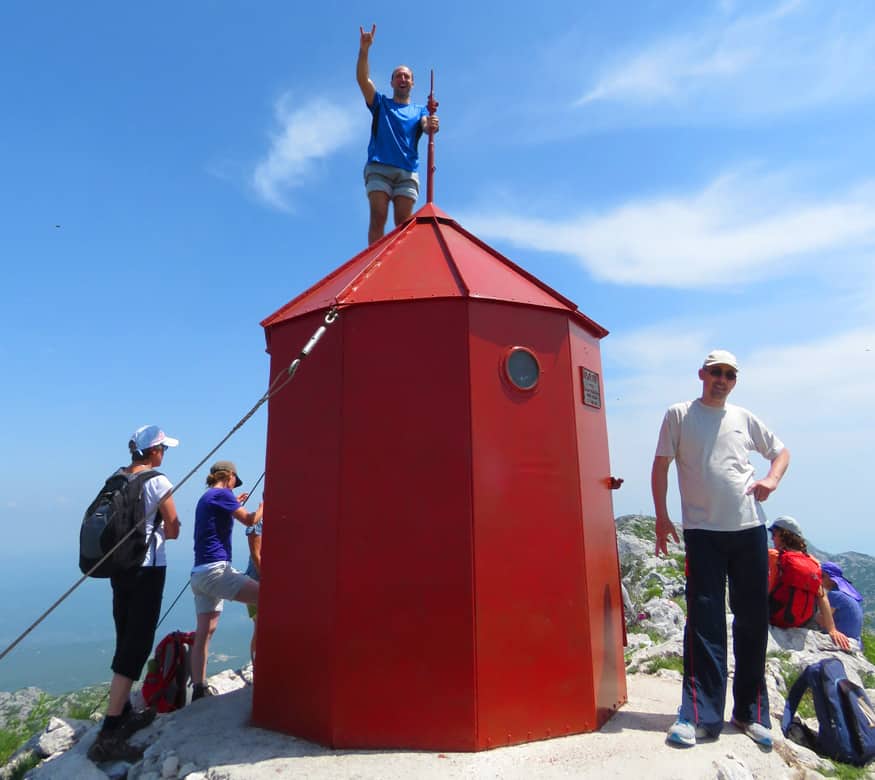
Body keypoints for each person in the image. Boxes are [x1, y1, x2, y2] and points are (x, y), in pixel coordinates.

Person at [652, 350, 790, 749]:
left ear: (734, 380)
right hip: (703, 533)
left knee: (752, 622)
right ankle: (697, 716)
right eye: (716, 372)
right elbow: (660, 465)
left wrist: (772, 480)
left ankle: (750, 713)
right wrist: (661, 517)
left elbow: (781, 452)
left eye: (730, 375)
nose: (723, 379)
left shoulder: (744, 418)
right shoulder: (679, 414)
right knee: (705, 623)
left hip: (749, 530)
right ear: (702, 374)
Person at [88, 425, 180, 763]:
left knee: (124, 633)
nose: (164, 454)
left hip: (120, 569)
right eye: (163, 449)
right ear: (154, 451)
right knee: (138, 644)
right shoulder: (159, 481)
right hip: (148, 570)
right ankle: (109, 733)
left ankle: (123, 709)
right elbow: (173, 528)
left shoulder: (118, 477)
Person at [357, 23, 440, 245]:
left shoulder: (420, 110)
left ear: (412, 83)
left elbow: (425, 124)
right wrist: (364, 49)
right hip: (379, 168)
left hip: (407, 172)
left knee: (403, 224)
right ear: (392, 82)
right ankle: (373, 265)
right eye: (398, 76)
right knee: (378, 217)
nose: (402, 79)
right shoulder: (381, 104)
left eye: (406, 76)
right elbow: (363, 81)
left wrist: (431, 124)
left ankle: (398, 267)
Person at [189, 461, 263, 701]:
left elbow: (222, 514)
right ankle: (267, 671)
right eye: (234, 481)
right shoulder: (222, 494)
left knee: (205, 632)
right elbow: (251, 520)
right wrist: (265, 505)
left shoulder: (208, 497)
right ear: (230, 476)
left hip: (199, 574)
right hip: (216, 572)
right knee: (269, 599)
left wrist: (234, 504)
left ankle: (199, 688)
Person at [767, 515, 851, 649]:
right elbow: (822, 597)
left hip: (773, 616)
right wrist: (832, 629)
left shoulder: (773, 556)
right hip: (802, 622)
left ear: (784, 535)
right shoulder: (813, 562)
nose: (772, 538)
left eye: (774, 534)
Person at [819, 561, 864, 644]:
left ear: (832, 580)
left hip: (843, 639)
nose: (819, 579)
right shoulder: (846, 594)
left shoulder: (834, 595)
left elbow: (823, 622)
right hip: (855, 641)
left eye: (822, 576)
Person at [244, 513, 263, 663]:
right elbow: (256, 555)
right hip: (257, 579)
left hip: (258, 578)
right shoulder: (260, 521)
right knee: (259, 627)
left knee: (260, 627)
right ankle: (255, 664)